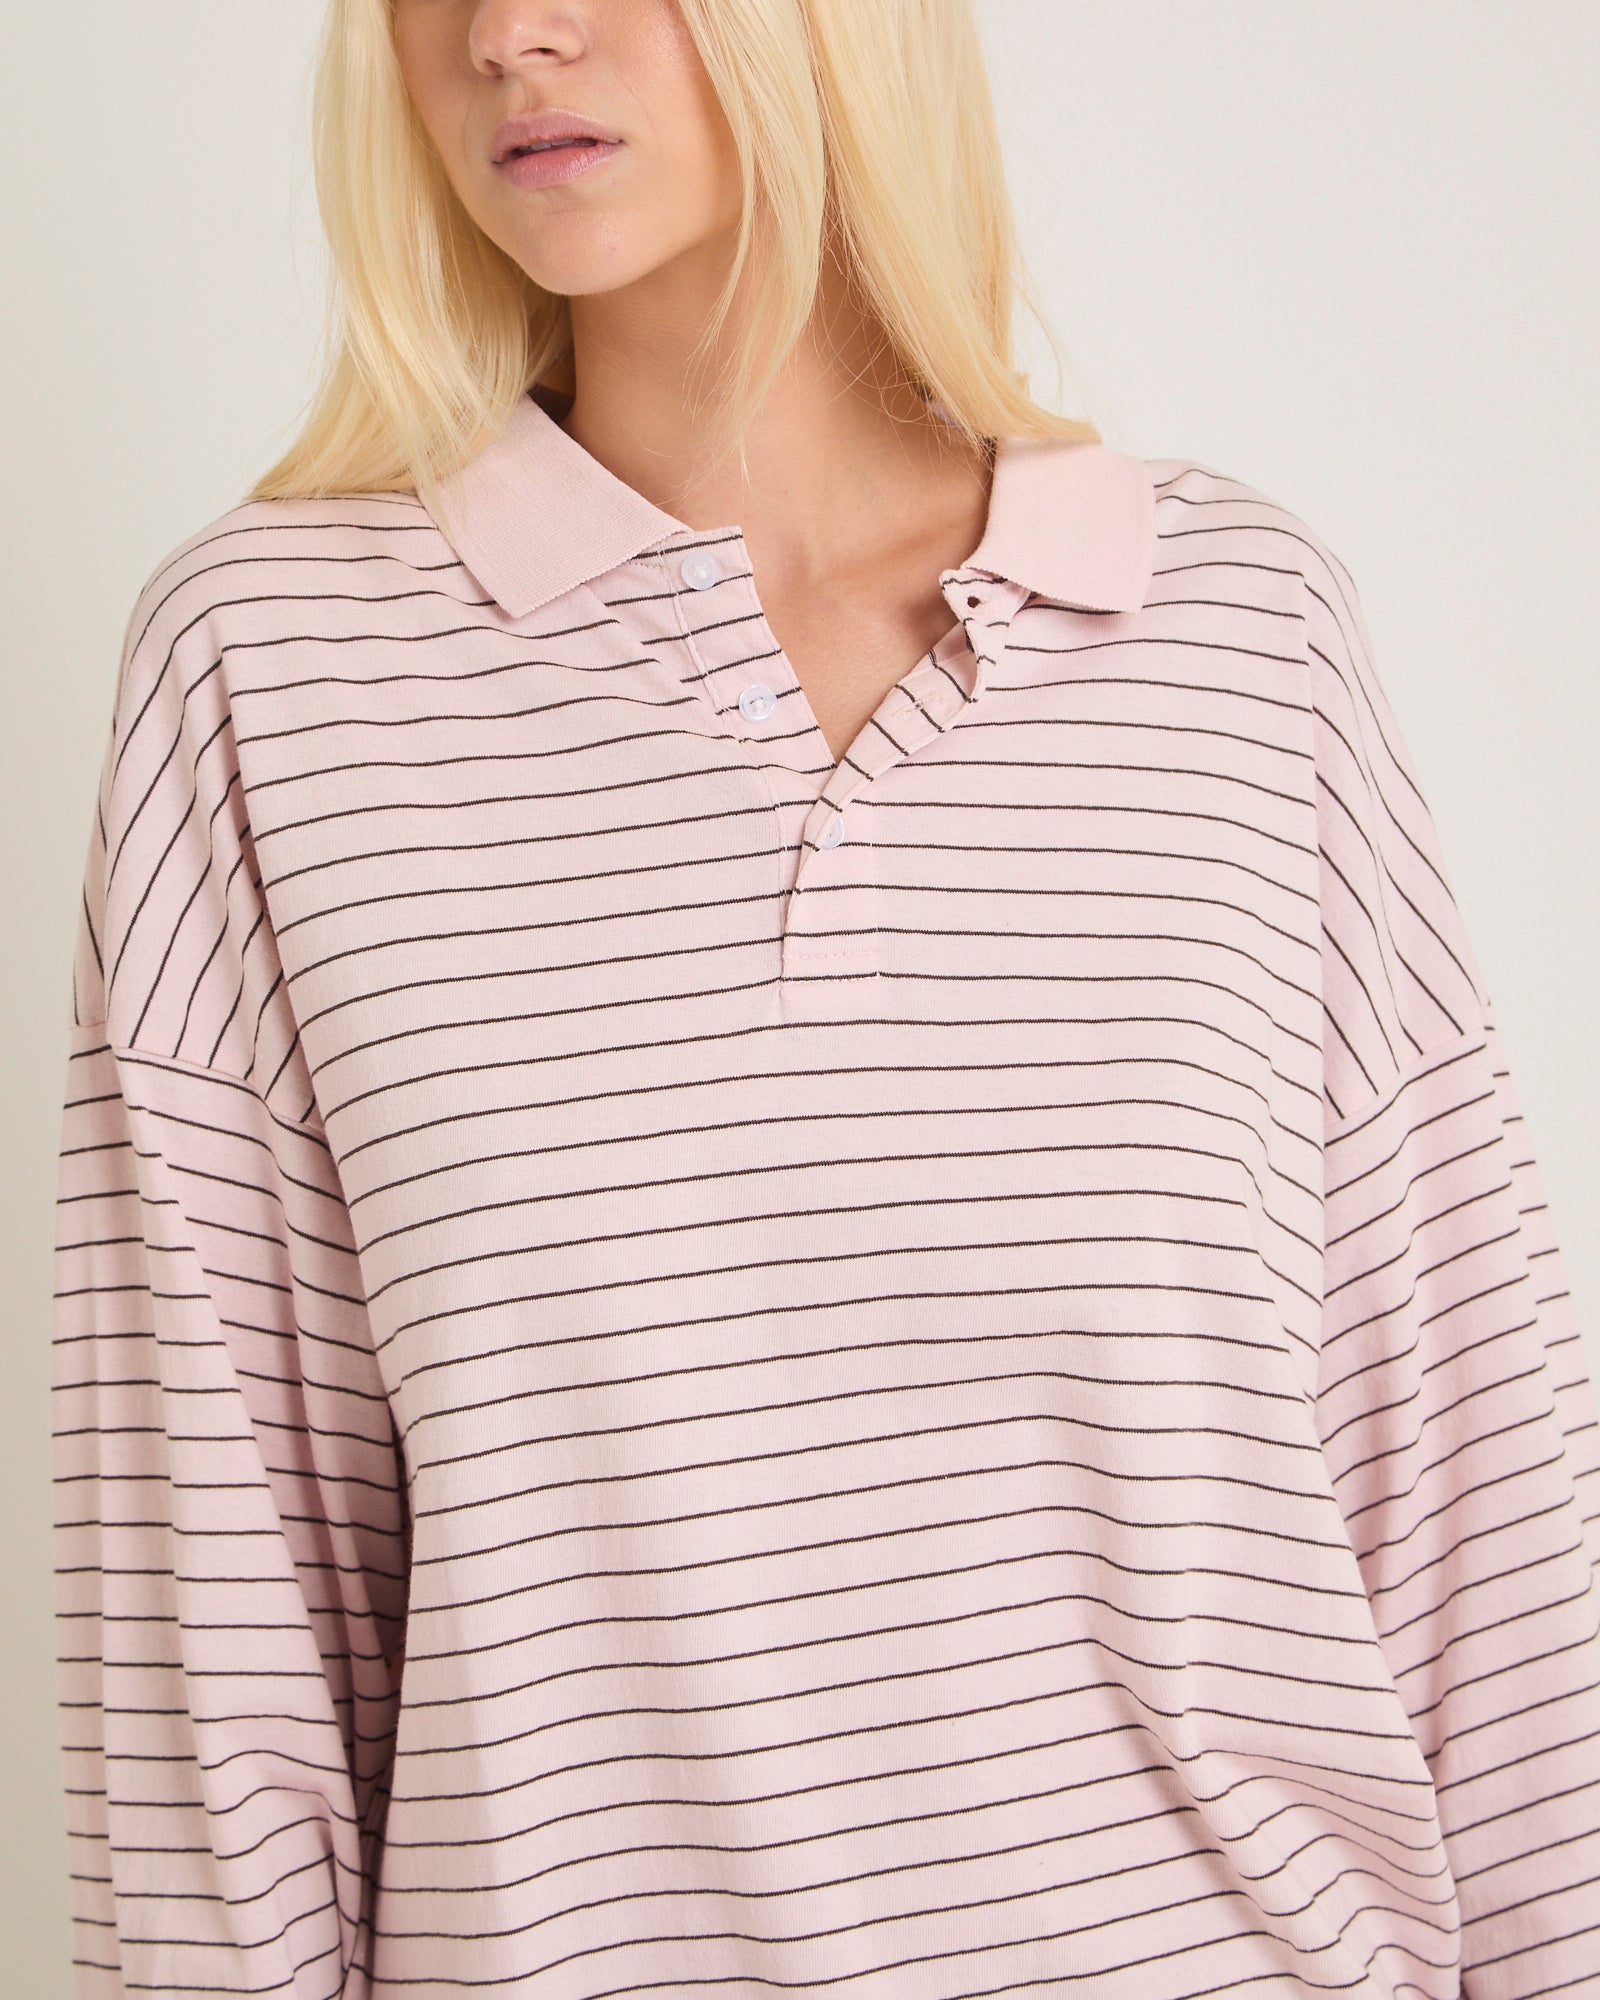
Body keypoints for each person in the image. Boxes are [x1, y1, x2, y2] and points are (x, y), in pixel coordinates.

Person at [50, 0, 1599, 1994]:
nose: (513, 33)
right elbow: (212, 1606)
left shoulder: (1229, 624)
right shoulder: (273, 665)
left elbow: (1473, 1493)